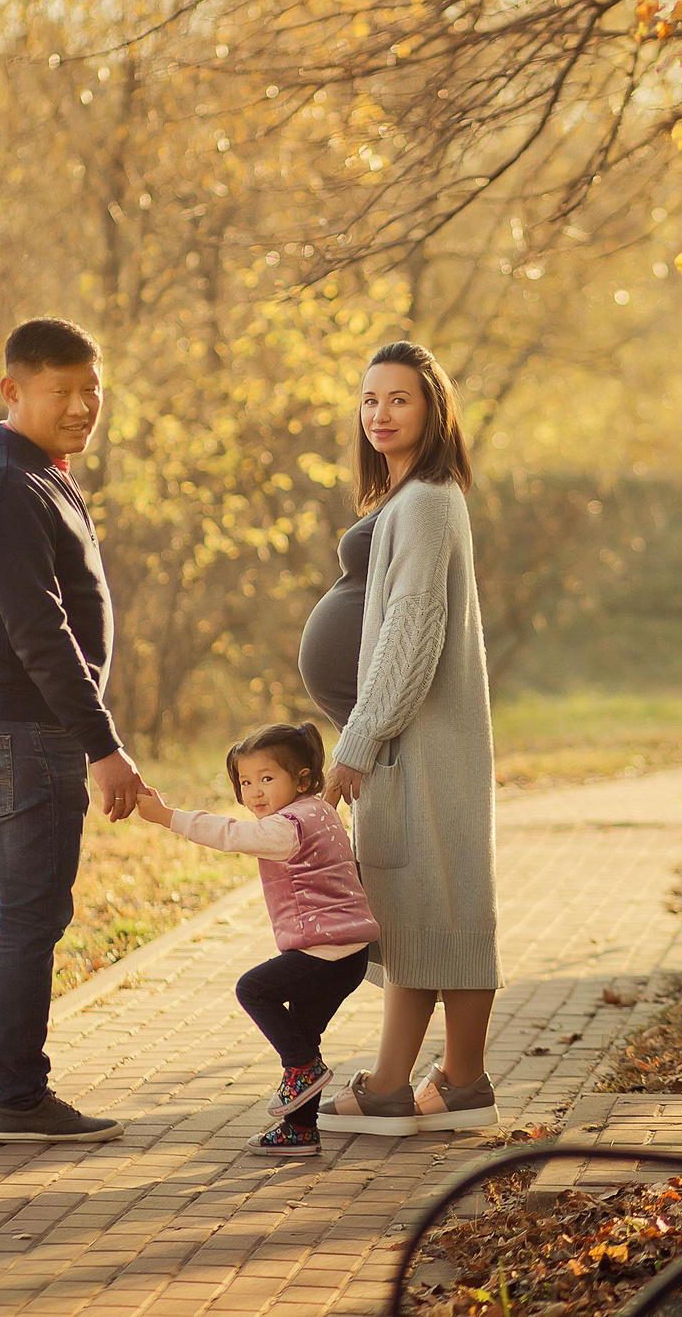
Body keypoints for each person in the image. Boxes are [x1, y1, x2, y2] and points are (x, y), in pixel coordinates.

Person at [0, 317, 147, 1144]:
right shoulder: (9, 487)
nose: (84, 405)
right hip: (22, 729)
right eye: (62, 391)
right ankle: (17, 1096)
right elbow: (40, 633)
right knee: (27, 914)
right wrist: (103, 745)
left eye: (93, 388)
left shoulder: (32, 473)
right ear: (13, 391)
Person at [300, 340, 502, 1136]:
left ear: (433, 410)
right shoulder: (416, 493)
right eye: (369, 399)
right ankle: (427, 1082)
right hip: (401, 742)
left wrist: (357, 741)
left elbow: (411, 635)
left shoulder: (424, 500)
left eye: (399, 400)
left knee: (442, 901)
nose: (379, 413)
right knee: (418, 904)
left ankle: (446, 1080)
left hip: (412, 739)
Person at [134, 723, 380, 1157]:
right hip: (350, 953)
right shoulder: (320, 810)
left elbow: (230, 835)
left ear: (302, 779)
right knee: (303, 1032)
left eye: (268, 779)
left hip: (322, 951)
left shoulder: (286, 827)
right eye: (246, 781)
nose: (255, 792)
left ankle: (301, 1068)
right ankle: (300, 1130)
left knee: (254, 989)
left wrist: (167, 816)